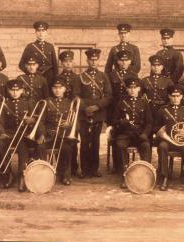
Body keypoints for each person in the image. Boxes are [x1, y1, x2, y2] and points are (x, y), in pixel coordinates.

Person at [0, 79, 41, 191]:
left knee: (23, 148)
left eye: (18, 90)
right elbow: (0, 122)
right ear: (8, 91)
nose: (15, 93)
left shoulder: (28, 103)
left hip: (23, 134)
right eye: (12, 90)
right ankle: (9, 175)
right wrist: (2, 133)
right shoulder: (4, 103)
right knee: (1, 146)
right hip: (9, 134)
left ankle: (22, 176)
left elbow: (37, 120)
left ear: (22, 90)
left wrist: (32, 121)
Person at [76, 48, 112, 178]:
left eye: (95, 59)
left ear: (98, 60)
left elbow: (109, 96)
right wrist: (85, 108)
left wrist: (97, 106)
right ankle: (84, 169)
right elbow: (76, 96)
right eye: (91, 59)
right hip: (83, 114)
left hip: (98, 113)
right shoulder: (80, 77)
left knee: (95, 141)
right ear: (87, 60)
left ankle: (94, 169)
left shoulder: (103, 76)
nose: (93, 61)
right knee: (84, 142)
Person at [155, 85, 184, 194]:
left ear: (181, 97)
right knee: (162, 146)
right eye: (173, 96)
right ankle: (164, 177)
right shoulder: (162, 110)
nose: (175, 98)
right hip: (167, 140)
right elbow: (156, 127)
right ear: (169, 96)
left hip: (182, 141)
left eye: (178, 96)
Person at [112, 77, 152, 189]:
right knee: (120, 146)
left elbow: (149, 122)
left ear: (139, 89)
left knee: (146, 145)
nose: (132, 90)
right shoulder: (121, 103)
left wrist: (145, 134)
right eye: (130, 88)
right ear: (127, 89)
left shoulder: (144, 103)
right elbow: (113, 120)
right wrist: (121, 122)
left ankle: (145, 174)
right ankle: (125, 175)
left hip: (139, 134)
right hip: (124, 134)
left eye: (135, 88)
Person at [106, 50, 139, 173]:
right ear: (118, 61)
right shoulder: (111, 75)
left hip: (129, 107)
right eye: (121, 60)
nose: (124, 62)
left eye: (126, 60)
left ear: (130, 61)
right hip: (114, 108)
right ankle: (118, 166)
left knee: (127, 132)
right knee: (115, 135)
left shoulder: (134, 75)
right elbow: (109, 93)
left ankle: (128, 164)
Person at [39, 78, 76, 185]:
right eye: (55, 88)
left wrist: (70, 124)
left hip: (62, 135)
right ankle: (44, 173)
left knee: (67, 148)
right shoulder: (46, 102)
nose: (57, 90)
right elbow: (41, 121)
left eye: (60, 88)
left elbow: (76, 121)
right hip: (49, 134)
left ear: (64, 89)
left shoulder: (69, 103)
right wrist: (41, 134)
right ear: (51, 89)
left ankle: (64, 174)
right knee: (40, 146)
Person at [56, 50, 81, 176]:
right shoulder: (57, 78)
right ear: (61, 63)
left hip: (73, 112)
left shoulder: (77, 78)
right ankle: (62, 168)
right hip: (61, 112)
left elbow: (79, 94)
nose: (68, 64)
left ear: (73, 63)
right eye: (65, 62)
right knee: (61, 140)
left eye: (70, 61)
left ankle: (73, 167)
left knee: (73, 140)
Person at [19, 21, 58, 85]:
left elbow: (55, 65)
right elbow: (21, 64)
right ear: (35, 33)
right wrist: (31, 73)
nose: (41, 33)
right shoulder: (30, 47)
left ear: (46, 32)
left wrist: (55, 78)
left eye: (43, 31)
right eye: (39, 31)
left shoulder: (50, 46)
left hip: (49, 78)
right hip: (36, 77)